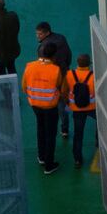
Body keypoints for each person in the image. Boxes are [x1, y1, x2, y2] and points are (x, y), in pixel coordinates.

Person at [22, 40, 65, 175]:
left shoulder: (30, 66)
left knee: (40, 129)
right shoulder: (56, 70)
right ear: (54, 55)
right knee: (50, 134)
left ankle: (41, 156)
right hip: (50, 106)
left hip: (35, 104)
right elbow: (59, 86)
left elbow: (24, 87)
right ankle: (49, 164)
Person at [36, 23, 73, 137]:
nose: (38, 36)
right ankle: (65, 129)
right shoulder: (61, 38)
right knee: (62, 105)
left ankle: (50, 128)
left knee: (51, 106)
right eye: (37, 34)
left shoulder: (43, 48)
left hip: (51, 80)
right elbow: (69, 55)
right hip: (64, 75)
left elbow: (43, 67)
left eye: (40, 34)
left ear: (47, 32)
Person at [67, 53, 96, 168]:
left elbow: (65, 90)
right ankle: (99, 142)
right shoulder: (94, 75)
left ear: (77, 63)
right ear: (89, 64)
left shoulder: (69, 74)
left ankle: (77, 159)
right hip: (92, 107)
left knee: (78, 134)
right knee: (102, 123)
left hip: (76, 108)